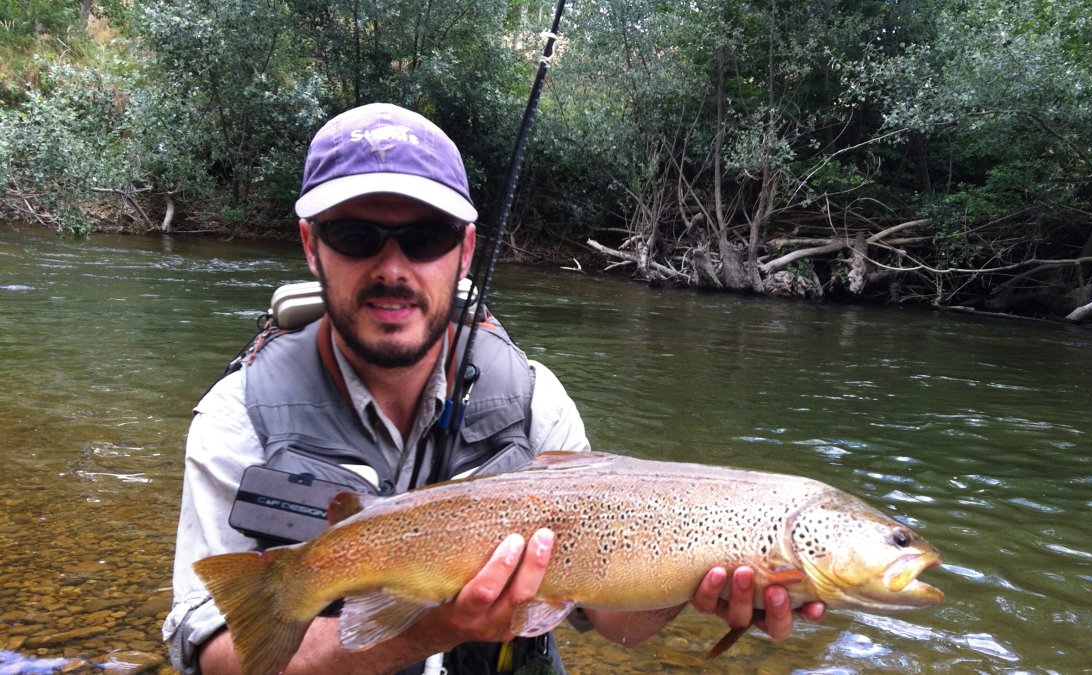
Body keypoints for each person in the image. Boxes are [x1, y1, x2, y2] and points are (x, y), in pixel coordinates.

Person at [163, 102, 824, 675]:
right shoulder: (239, 418)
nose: (393, 267)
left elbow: (614, 623)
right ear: (311, 245)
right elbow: (215, 659)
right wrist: (435, 625)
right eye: (356, 235)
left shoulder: (533, 402)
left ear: (465, 248)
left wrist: (689, 581)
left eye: (426, 238)